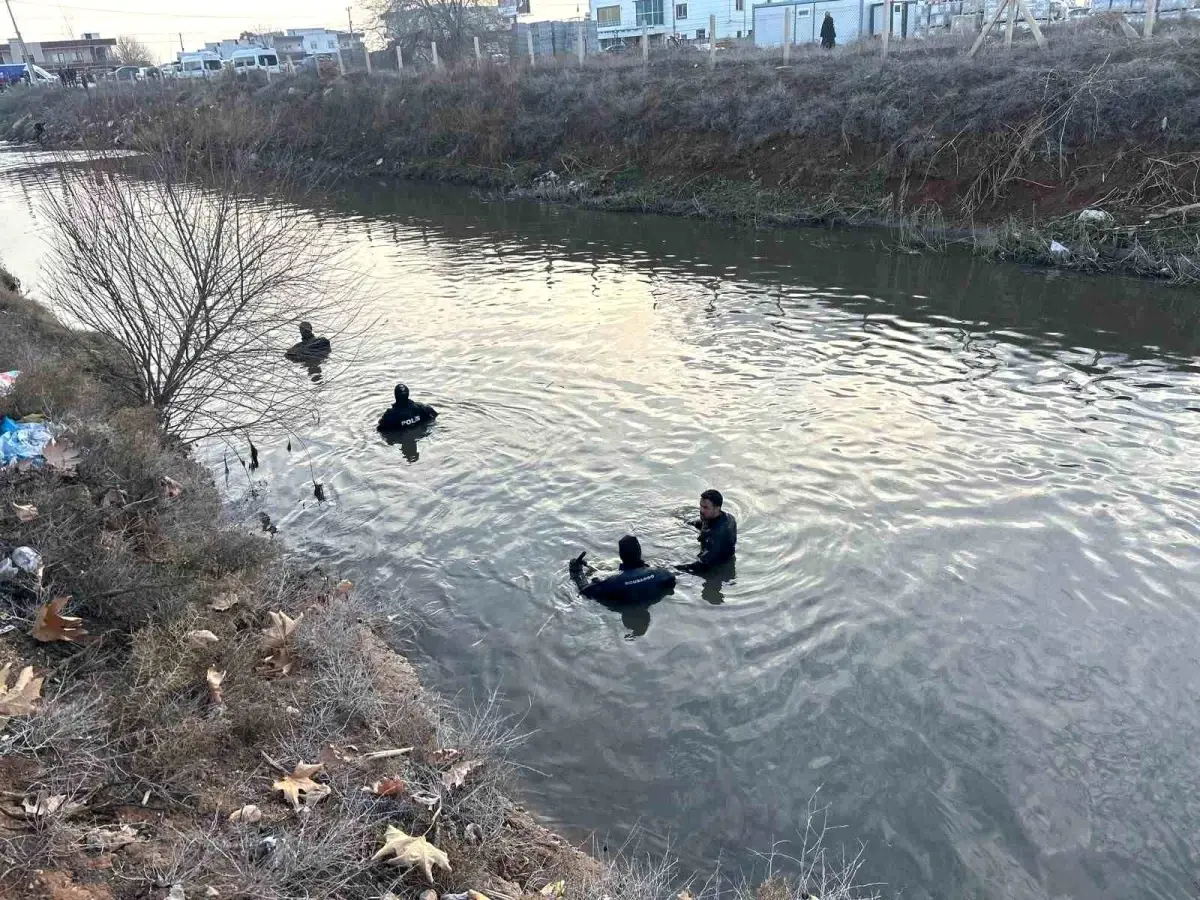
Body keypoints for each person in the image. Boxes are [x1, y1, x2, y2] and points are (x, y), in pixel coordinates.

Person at [569, 535, 676, 606]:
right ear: (640, 551)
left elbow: (585, 591)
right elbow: (671, 579)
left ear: (621, 555)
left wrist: (576, 571)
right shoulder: (662, 574)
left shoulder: (612, 583)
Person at [679, 488, 737, 572]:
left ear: (717, 508)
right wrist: (687, 523)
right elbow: (705, 524)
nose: (701, 510)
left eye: (706, 507)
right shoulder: (728, 517)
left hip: (716, 569)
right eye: (701, 506)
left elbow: (703, 565)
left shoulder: (717, 535)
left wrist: (674, 569)